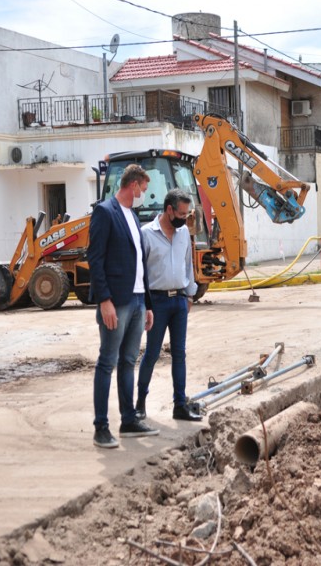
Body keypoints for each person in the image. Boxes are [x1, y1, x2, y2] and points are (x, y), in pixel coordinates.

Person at [88, 164, 159, 448]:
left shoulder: (132, 215)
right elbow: (95, 259)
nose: (144, 193)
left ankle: (128, 420)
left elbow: (141, 265)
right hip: (116, 302)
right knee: (107, 362)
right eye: (143, 188)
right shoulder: (105, 212)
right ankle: (101, 427)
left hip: (139, 300)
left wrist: (149, 305)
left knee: (128, 362)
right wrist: (104, 300)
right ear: (133, 185)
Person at [136, 188, 202, 422]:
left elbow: (188, 264)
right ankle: (140, 404)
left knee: (179, 354)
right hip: (157, 302)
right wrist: (145, 305)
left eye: (187, 214)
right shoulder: (146, 234)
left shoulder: (183, 233)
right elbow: (139, 272)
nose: (185, 219)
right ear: (169, 210)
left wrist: (190, 295)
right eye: (181, 214)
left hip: (179, 301)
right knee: (152, 353)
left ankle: (179, 406)